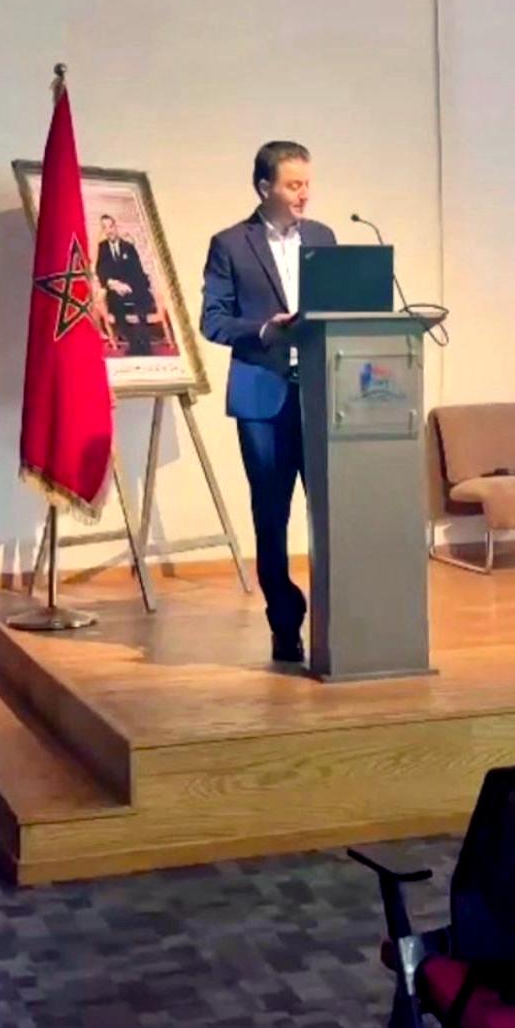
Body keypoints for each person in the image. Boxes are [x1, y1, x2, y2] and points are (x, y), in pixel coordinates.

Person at [200, 141, 335, 665]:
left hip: (322, 395)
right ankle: (284, 621)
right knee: (272, 515)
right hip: (264, 396)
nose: (304, 194)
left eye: (307, 183)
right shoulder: (230, 244)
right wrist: (263, 330)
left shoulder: (323, 237)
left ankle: (338, 621)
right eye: (293, 184)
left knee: (329, 511)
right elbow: (213, 321)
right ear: (264, 187)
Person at [95, 213, 163, 355]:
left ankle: (144, 345)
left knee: (142, 301)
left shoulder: (128, 247)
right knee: (116, 306)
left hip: (133, 287)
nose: (109, 230)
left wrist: (129, 286)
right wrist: (113, 284)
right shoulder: (103, 248)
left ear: (116, 227)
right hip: (115, 291)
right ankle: (133, 345)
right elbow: (100, 270)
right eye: (105, 227)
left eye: (111, 226)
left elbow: (137, 270)